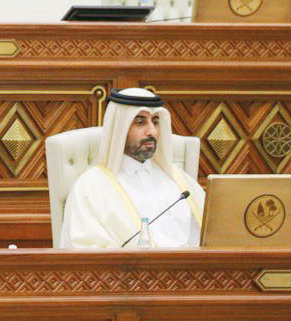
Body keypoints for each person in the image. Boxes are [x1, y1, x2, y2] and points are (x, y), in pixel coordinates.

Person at [60, 88, 205, 249]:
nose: (152, 131)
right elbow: (84, 252)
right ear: (120, 129)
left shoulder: (179, 180)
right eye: (140, 122)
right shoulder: (91, 187)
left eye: (155, 121)